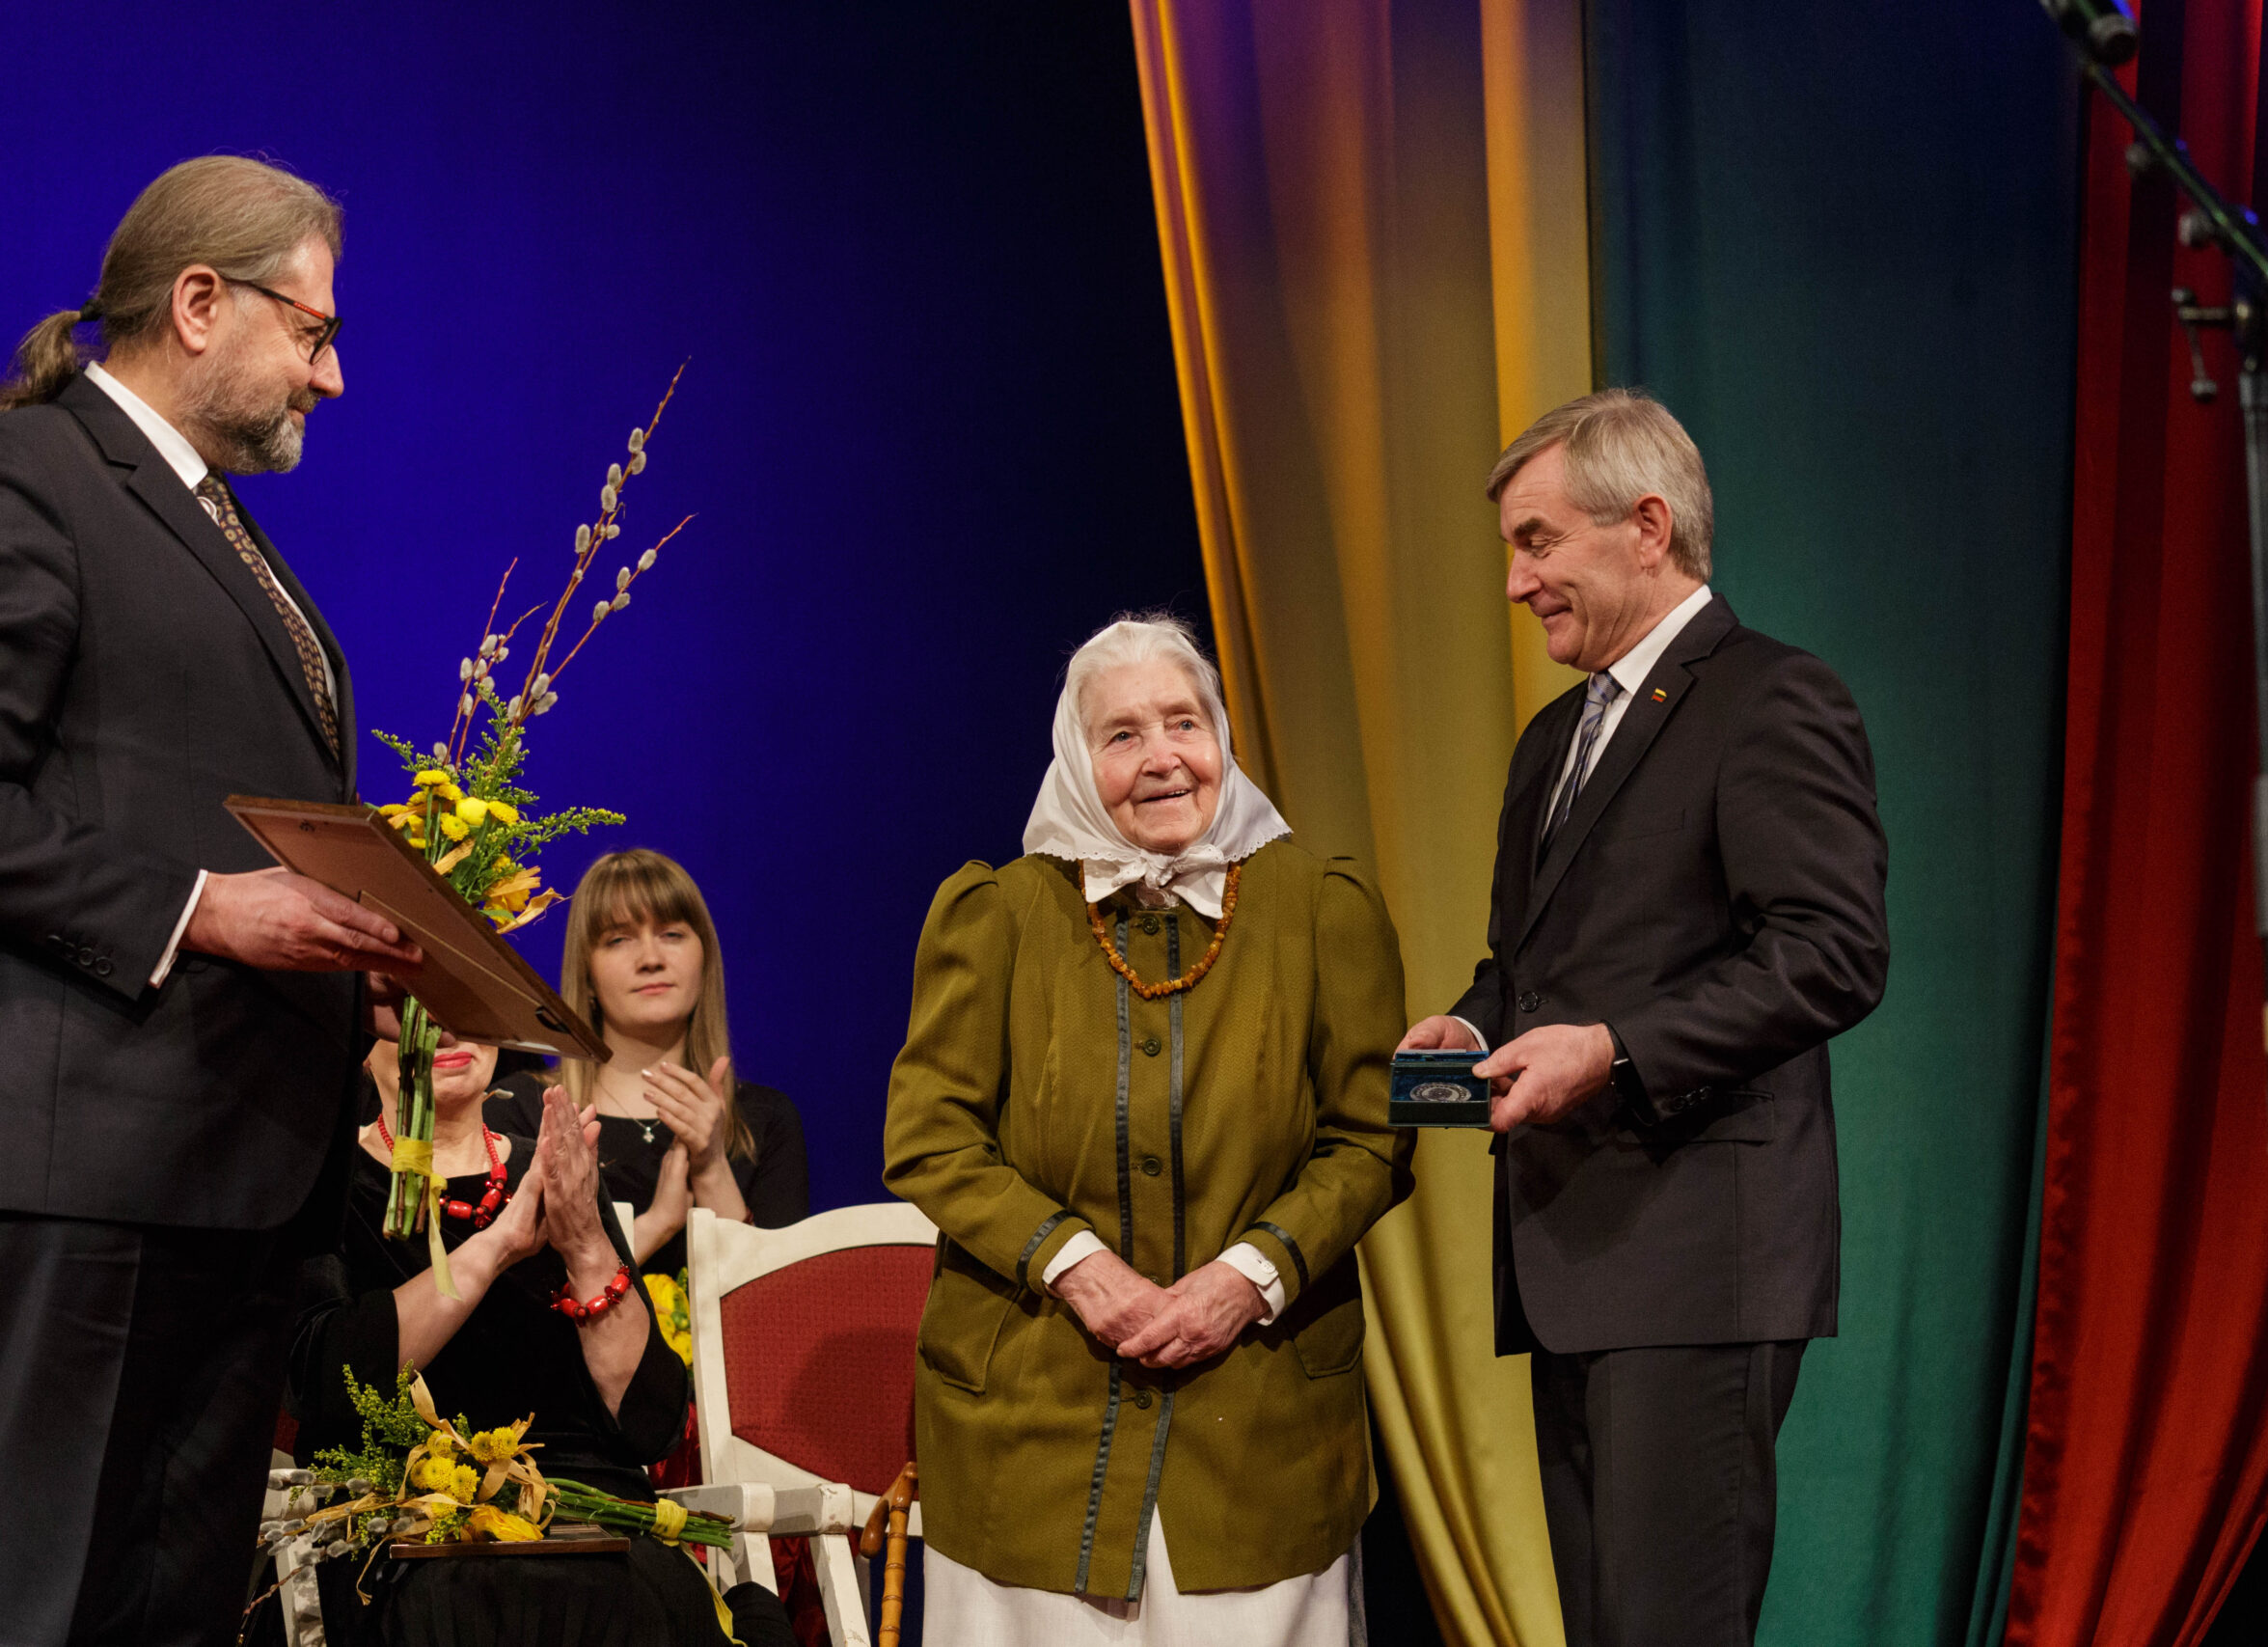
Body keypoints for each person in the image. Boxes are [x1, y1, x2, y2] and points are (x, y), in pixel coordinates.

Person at [0, 156, 425, 1647]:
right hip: (94, 1163)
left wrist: (347, 954)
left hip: (235, 1174)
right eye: (312, 331)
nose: (331, 374)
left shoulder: (213, 520)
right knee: (37, 1606)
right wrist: (205, 909)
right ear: (198, 302)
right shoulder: (27, 475)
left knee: (170, 1617)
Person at [1399, 389, 1889, 1646]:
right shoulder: (1550, 741)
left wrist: (1614, 1054)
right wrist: (1470, 1028)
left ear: (1648, 526)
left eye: (1538, 541)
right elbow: (1531, 968)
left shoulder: (1769, 697)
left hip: (1696, 1262)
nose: (1517, 582)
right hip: (1572, 1261)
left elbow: (1831, 953)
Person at [884, 616, 1411, 1641]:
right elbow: (930, 1136)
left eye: (1184, 722)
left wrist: (1245, 1279)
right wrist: (1081, 1268)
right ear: (1077, 761)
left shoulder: (1321, 907)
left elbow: (1370, 1137)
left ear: (1221, 737)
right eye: (1122, 735)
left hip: (1258, 1429)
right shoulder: (998, 915)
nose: (1162, 756)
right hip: (1030, 1427)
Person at [266, 1038, 792, 1647]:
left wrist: (587, 1243)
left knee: (620, 1596)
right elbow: (327, 1383)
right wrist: (498, 1244)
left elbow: (650, 1424)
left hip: (591, 1520)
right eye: (423, 1006)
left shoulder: (557, 1170)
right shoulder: (326, 1179)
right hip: (404, 1531)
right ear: (365, 1028)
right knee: (470, 1604)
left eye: (470, 1008)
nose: (447, 1031)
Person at [487, 849, 807, 1270]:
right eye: (619, 940)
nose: (651, 960)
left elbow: (779, 1300)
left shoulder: (766, 1119)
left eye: (671, 934)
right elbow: (514, 1296)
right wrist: (656, 1225)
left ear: (705, 958)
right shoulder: (522, 1111)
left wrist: (711, 1168)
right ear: (587, 976)